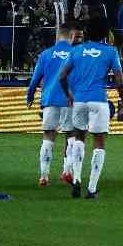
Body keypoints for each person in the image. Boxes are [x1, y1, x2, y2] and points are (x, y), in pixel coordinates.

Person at [56, 17, 123, 199]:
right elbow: (120, 82)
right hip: (98, 100)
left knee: (79, 138)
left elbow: (62, 76)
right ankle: (92, 189)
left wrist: (69, 96)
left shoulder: (77, 50)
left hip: (79, 100)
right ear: (105, 34)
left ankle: (77, 179)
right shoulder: (110, 51)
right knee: (99, 143)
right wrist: (122, 103)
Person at [25, 23, 78, 186]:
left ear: (58, 36)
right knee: (71, 136)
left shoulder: (46, 54)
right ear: (72, 36)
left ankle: (44, 176)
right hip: (69, 100)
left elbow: (35, 79)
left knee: (48, 135)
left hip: (49, 99)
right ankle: (67, 172)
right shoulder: (76, 53)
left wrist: (30, 95)